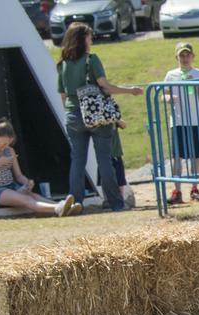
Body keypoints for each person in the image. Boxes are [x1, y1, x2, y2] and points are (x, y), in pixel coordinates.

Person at [57, 22, 142, 213]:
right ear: (82, 39)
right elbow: (105, 86)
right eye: (89, 36)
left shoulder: (62, 63)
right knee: (105, 159)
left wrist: (72, 115)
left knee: (77, 160)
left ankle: (76, 200)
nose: (91, 39)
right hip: (96, 116)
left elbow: (63, 95)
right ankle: (115, 202)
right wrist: (130, 91)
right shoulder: (91, 59)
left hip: (73, 115)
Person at [0, 118, 80, 216]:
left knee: (34, 196)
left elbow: (19, 175)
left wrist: (26, 183)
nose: (5, 146)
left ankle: (64, 207)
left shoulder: (9, 150)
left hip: (12, 186)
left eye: (8, 144)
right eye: (3, 143)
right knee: (26, 199)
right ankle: (58, 208)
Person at [163, 42, 199, 205]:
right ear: (177, 57)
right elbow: (163, 95)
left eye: (187, 55)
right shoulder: (171, 75)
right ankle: (177, 190)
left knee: (195, 155)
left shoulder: (198, 73)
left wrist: (195, 85)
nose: (185, 58)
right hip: (178, 120)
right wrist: (169, 99)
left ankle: (194, 188)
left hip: (196, 120)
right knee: (177, 156)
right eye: (181, 55)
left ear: (192, 56)